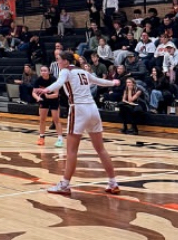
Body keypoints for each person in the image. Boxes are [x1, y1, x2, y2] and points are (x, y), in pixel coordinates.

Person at [33, 51, 121, 196]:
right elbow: (100, 81)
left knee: (71, 150)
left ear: (66, 62)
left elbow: (59, 83)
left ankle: (65, 185)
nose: (57, 63)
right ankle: (113, 182)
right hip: (93, 110)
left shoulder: (65, 71)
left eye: (58, 60)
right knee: (101, 149)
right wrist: (114, 82)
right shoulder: (83, 71)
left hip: (78, 109)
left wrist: (45, 89)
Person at [32, 66, 63, 147]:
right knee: (42, 119)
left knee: (56, 120)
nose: (43, 72)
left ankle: (60, 139)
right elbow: (34, 92)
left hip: (53, 99)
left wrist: (47, 96)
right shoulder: (38, 80)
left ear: (48, 72)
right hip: (44, 100)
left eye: (45, 70)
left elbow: (56, 94)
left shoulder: (53, 79)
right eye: (41, 71)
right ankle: (41, 137)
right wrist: (37, 98)